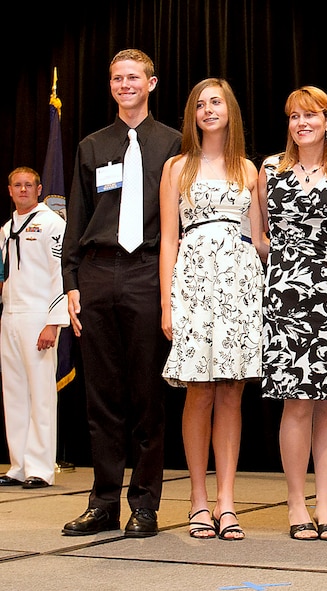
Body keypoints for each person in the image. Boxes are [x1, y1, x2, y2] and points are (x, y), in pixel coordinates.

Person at [61, 49, 182, 537]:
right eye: (117, 78)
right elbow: (75, 218)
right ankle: (104, 501)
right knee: (101, 395)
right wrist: (70, 284)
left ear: (152, 83)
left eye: (134, 77)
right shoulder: (92, 146)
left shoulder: (175, 144)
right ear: (110, 85)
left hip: (150, 271)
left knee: (147, 394)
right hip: (97, 272)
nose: (125, 84)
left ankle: (145, 504)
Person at [251, 86, 327, 541]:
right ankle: (296, 505)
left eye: (311, 115)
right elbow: (258, 238)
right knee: (296, 402)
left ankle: (324, 504)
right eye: (294, 116)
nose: (302, 123)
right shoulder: (269, 170)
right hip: (286, 295)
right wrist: (286, 267)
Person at [159, 78, 263, 541]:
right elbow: (167, 239)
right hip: (194, 283)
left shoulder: (250, 170)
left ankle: (226, 502)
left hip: (240, 284)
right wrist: (167, 302)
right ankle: (197, 500)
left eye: (215, 102)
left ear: (230, 110)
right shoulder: (177, 167)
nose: (207, 109)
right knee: (198, 390)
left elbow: (260, 240)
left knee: (231, 390)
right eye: (199, 104)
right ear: (192, 115)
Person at [0, 167, 69, 489]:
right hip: (11, 315)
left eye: (29, 185)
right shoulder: (5, 228)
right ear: (10, 190)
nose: (23, 190)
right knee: (14, 394)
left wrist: (53, 323)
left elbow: (60, 273)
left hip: (38, 316)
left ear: (40, 189)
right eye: (18, 185)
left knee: (41, 394)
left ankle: (40, 467)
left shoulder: (52, 224)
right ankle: (18, 465)